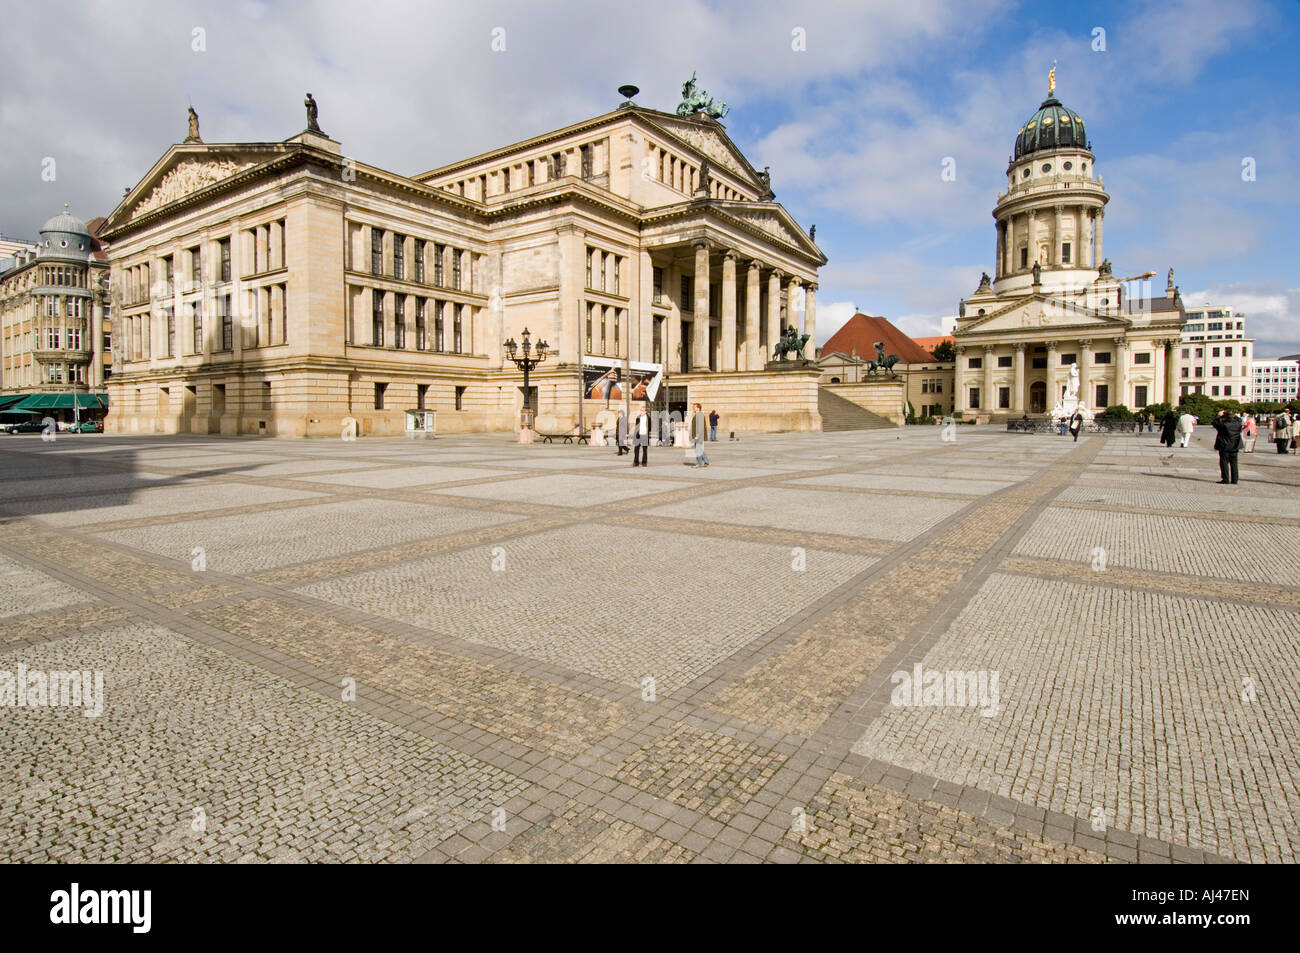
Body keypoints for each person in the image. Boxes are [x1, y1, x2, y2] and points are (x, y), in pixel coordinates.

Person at [1212, 409, 1243, 485]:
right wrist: (1232, 414)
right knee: (1234, 463)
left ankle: (1225, 479)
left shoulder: (1223, 424)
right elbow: (1239, 419)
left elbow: (1214, 422)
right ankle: (1235, 479)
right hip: (1235, 445)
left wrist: (1219, 415)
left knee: (1224, 462)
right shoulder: (1238, 423)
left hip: (1224, 445)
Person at [689, 403, 710, 468]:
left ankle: (699, 464)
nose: (693, 408)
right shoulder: (697, 415)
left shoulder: (700, 415)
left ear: (698, 408)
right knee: (699, 449)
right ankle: (706, 461)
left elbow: (700, 427)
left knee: (698, 450)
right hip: (697, 435)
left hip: (699, 436)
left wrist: (697, 435)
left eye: (694, 407)